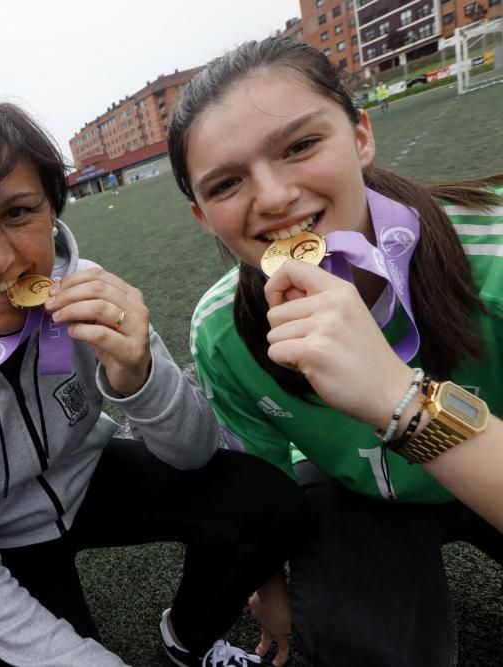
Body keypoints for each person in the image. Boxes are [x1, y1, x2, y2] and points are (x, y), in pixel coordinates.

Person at [0, 93, 307, 667]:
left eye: (18, 212)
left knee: (269, 502)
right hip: (1, 538)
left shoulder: (89, 291)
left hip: (90, 476)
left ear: (52, 209)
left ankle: (187, 636)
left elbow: (195, 453)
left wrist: (138, 374)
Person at [171, 37, 503, 666]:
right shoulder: (220, 330)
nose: (271, 198)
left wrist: (398, 399)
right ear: (203, 217)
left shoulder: (496, 256)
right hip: (360, 499)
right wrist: (266, 587)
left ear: (360, 137)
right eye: (226, 184)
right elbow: (256, 485)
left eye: (300, 146)